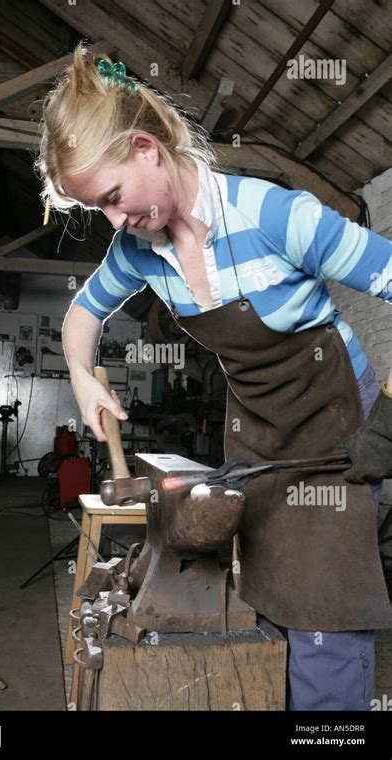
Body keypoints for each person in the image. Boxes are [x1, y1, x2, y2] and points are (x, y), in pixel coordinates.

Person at [37, 43, 392, 711]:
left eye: (114, 198)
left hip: (336, 429)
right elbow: (80, 315)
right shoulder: (138, 250)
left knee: (324, 618)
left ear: (147, 148)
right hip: (256, 439)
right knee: (264, 604)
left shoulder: (279, 219)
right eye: (100, 212)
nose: (116, 223)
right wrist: (82, 376)